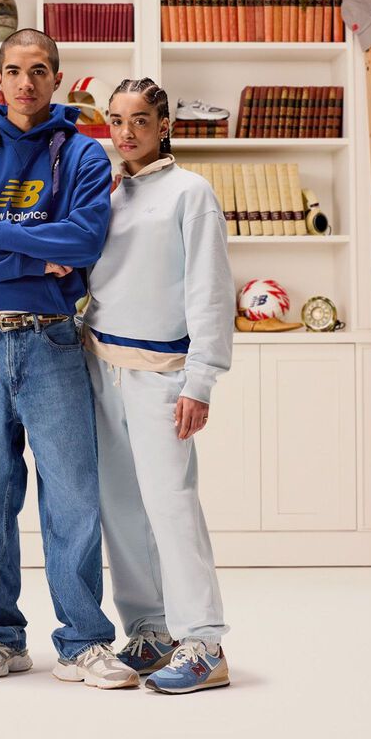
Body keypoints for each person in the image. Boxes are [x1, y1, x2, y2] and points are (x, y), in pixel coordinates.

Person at [0, 29, 136, 689]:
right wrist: (31, 253)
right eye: (13, 70)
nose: (25, 83)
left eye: (38, 70)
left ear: (57, 78)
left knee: (72, 499)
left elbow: (81, 240)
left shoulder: (84, 155)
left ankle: (82, 642)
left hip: (52, 342)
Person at [84, 77, 234, 694]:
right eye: (117, 121)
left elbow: (210, 292)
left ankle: (204, 642)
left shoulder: (190, 194)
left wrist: (201, 380)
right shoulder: (105, 192)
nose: (127, 132)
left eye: (140, 120)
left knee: (171, 506)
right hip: (99, 368)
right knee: (120, 508)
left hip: (164, 375)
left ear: (164, 124)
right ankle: (149, 629)